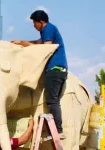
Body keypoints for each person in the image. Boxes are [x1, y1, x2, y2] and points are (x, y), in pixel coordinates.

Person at [11, 10, 67, 140]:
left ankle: (58, 131)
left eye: (34, 23)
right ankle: (55, 130)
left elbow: (44, 48)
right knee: (53, 101)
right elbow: (38, 42)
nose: (33, 25)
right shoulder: (48, 30)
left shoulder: (48, 28)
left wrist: (27, 45)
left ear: (41, 22)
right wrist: (21, 42)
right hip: (59, 69)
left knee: (52, 100)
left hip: (54, 69)